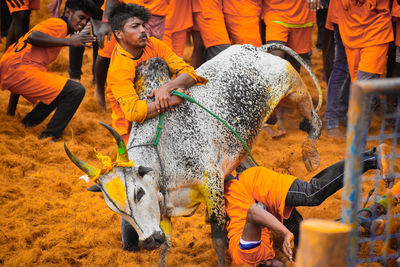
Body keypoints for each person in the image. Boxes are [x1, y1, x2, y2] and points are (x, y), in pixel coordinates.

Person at [106, 2, 207, 251]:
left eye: (143, 25)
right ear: (119, 34)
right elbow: (133, 111)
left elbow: (187, 70)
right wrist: (171, 100)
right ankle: (129, 246)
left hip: (159, 119)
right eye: (135, 26)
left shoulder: (153, 45)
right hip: (130, 130)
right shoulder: (119, 67)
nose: (144, 31)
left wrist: (167, 88)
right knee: (135, 184)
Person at [224, 144, 397, 266]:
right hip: (262, 207)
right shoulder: (266, 259)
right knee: (307, 242)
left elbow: (254, 212)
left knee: (311, 193)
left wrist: (284, 233)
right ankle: (365, 222)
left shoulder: (249, 257)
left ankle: (371, 158)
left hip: (252, 188)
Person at [0, 0, 99, 141]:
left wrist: (11, 112)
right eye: (81, 17)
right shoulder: (59, 24)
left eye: (87, 20)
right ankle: (48, 138)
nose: (83, 23)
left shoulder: (58, 26)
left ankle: (27, 124)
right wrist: (69, 42)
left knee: (62, 90)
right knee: (76, 90)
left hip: (14, 69)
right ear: (68, 12)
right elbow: (32, 37)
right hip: (17, 70)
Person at [94, 0, 168, 110]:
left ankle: (142, 93)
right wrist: (106, 21)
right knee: (105, 54)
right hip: (124, 11)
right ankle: (99, 88)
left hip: (156, 10)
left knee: (151, 56)